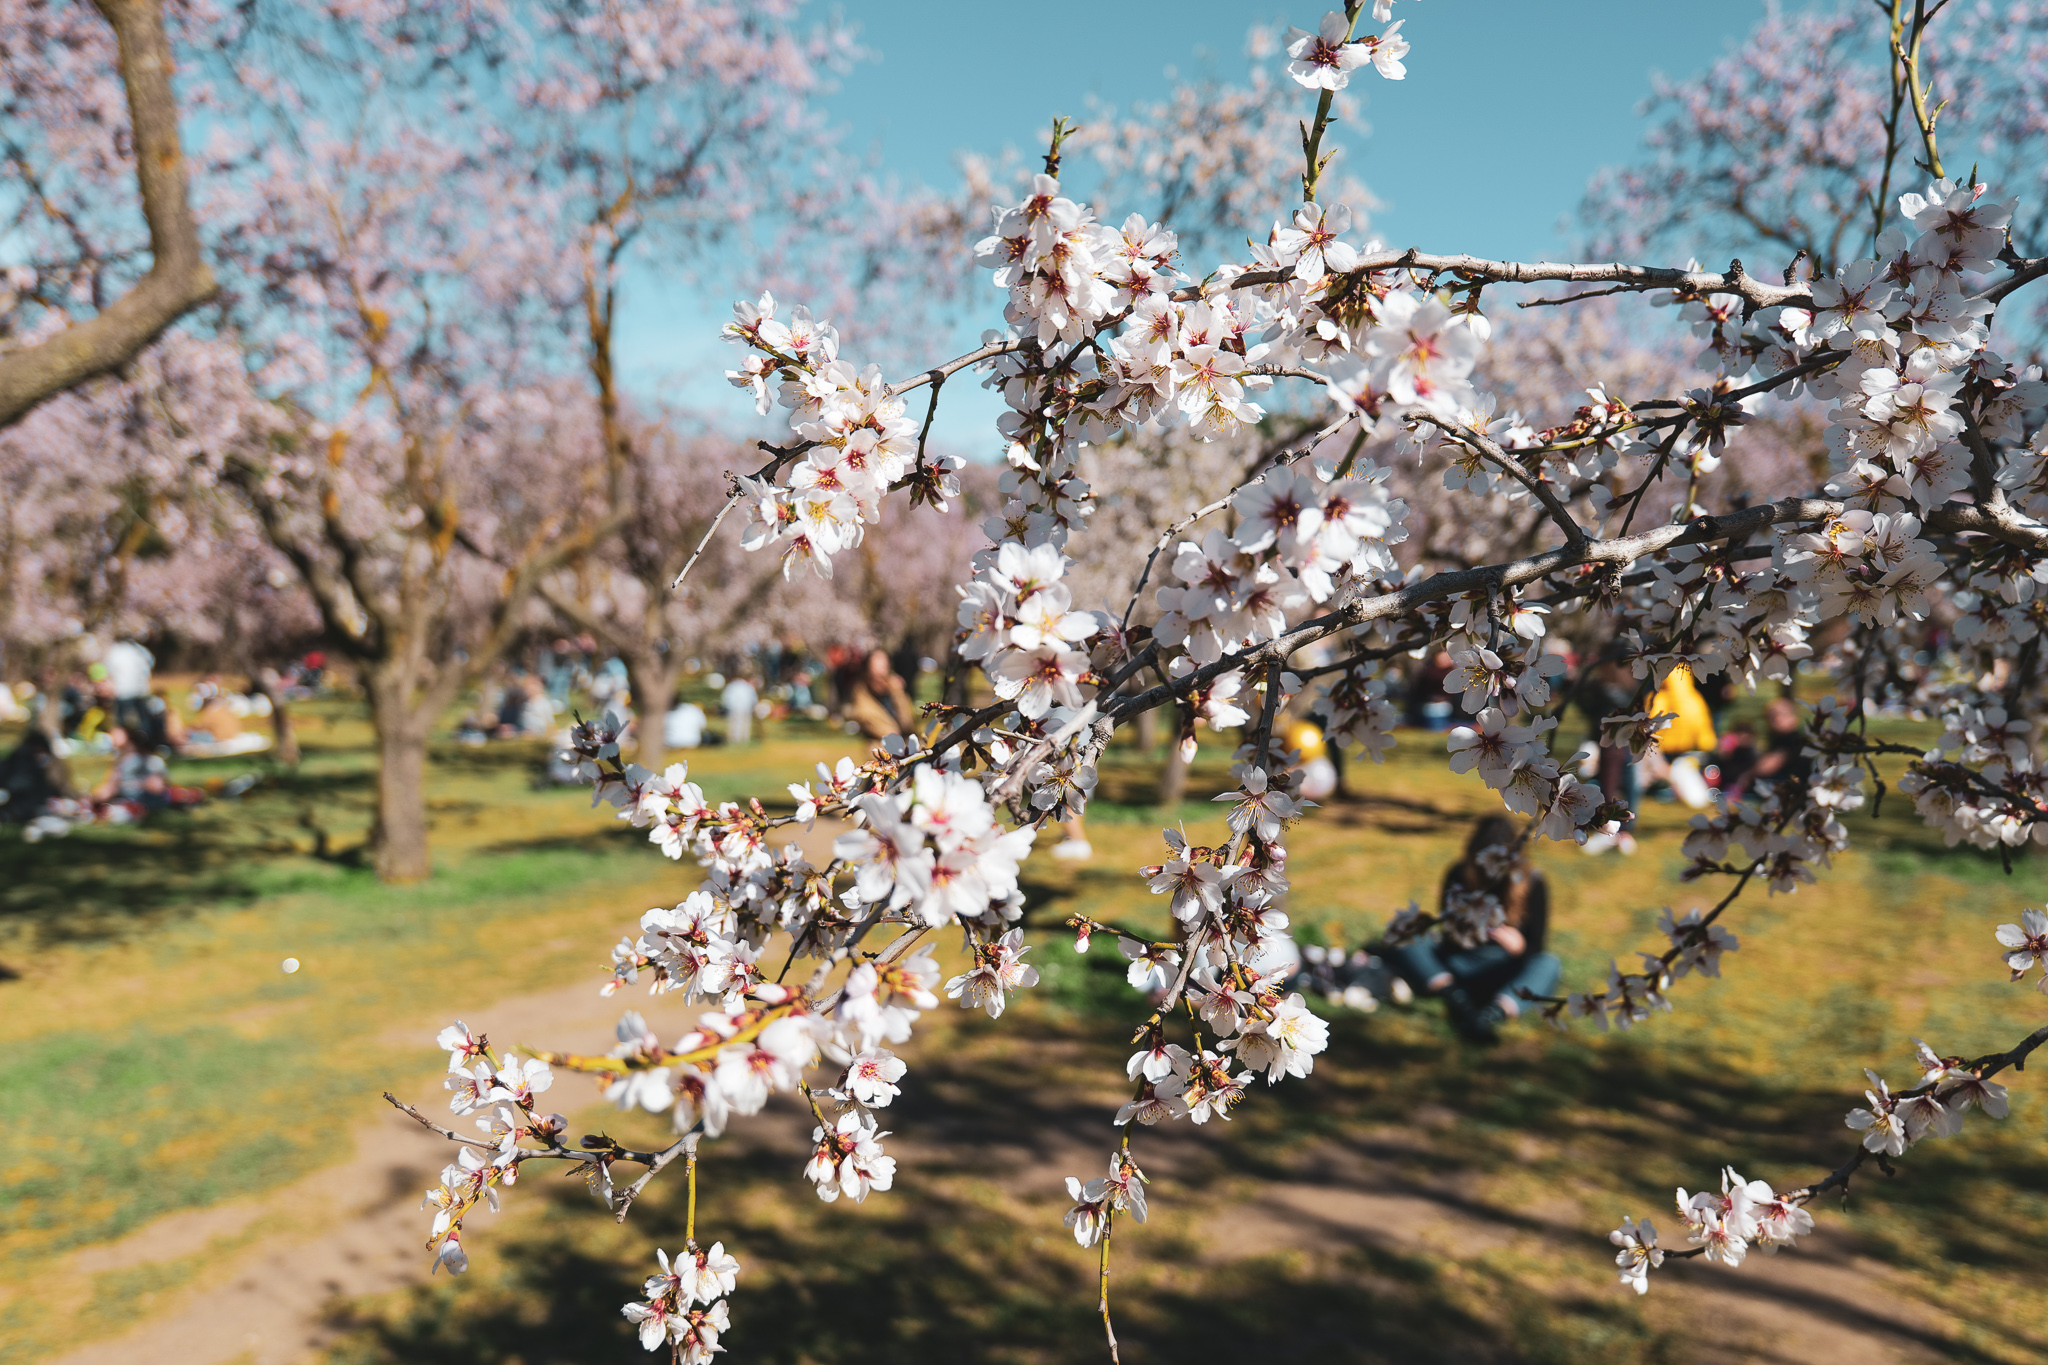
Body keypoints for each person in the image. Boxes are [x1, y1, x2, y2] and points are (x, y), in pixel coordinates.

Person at [1383, 815, 1562, 1041]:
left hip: (1504, 969)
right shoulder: (1459, 874)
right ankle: (1457, 1001)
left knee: (1548, 964)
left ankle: (1490, 1016)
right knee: (1409, 933)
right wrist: (1464, 927)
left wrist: (1519, 947)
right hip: (1459, 963)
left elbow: (1537, 948)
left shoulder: (1533, 882)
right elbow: (1448, 934)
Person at [844, 649, 913, 740]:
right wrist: (888, 731)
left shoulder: (894, 687)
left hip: (903, 738)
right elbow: (864, 715)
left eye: (884, 666)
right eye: (876, 666)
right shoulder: (860, 692)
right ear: (868, 668)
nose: (880, 671)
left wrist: (898, 693)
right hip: (879, 742)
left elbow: (907, 721)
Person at [721, 672, 759, 745]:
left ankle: (735, 738)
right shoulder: (747, 686)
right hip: (745, 708)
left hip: (734, 708)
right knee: (745, 724)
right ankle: (743, 739)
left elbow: (726, 697)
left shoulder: (732, 686)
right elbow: (754, 698)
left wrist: (727, 706)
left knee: (734, 724)